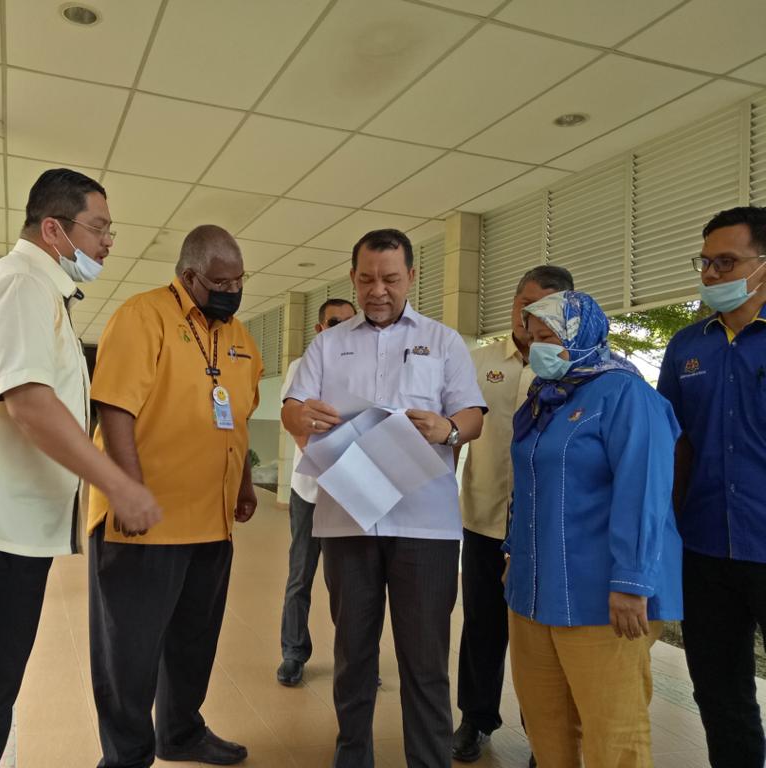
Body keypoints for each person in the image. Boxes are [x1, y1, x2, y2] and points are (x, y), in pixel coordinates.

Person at [0, 169, 161, 767]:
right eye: (98, 228)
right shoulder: (21, 283)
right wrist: (118, 484)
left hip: (6, 538)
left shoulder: (42, 292)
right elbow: (29, 403)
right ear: (53, 229)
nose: (108, 242)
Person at [283, 228, 486, 768]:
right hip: (347, 518)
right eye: (367, 279)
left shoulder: (443, 341)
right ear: (353, 277)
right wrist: (301, 415)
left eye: (391, 279)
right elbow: (292, 408)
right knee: (353, 654)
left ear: (412, 277)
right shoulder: (328, 344)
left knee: (425, 661)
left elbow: (472, 416)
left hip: (426, 526)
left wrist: (448, 429)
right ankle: (352, 756)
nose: (378, 290)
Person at [87, 224, 262, 768]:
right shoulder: (143, 316)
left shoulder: (241, 338)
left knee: (193, 642)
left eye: (239, 280)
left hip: (212, 521)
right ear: (189, 276)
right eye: (220, 282)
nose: (232, 290)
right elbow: (115, 407)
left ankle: (181, 733)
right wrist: (128, 490)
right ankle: (126, 757)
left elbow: (238, 418)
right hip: (145, 521)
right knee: (129, 653)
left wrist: (244, 482)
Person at [505, 290, 683, 768]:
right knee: (546, 723)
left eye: (550, 337)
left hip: (603, 597)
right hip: (533, 592)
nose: (538, 348)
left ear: (583, 335)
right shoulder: (545, 399)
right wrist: (512, 552)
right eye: (532, 338)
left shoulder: (626, 395)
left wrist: (631, 582)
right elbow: (528, 483)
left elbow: (644, 491)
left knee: (613, 732)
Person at [657, 205, 766, 768]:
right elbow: (674, 446)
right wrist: (664, 533)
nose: (710, 274)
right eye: (704, 262)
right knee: (720, 693)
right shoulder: (686, 347)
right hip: (703, 548)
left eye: (726, 262)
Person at [453, 265, 574, 764]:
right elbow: (453, 432)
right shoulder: (477, 362)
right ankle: (475, 719)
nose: (528, 316)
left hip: (546, 529)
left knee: (541, 637)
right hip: (483, 518)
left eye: (543, 307)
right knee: (482, 625)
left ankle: (543, 735)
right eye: (523, 303)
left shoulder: (576, 366)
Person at [277, 298, 356, 687]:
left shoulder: (363, 366)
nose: (344, 328)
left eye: (351, 321)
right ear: (320, 328)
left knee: (351, 584)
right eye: (335, 322)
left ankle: (355, 659)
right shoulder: (301, 366)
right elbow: (296, 425)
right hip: (309, 489)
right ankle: (293, 653)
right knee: (300, 575)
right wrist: (325, 465)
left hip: (351, 493)